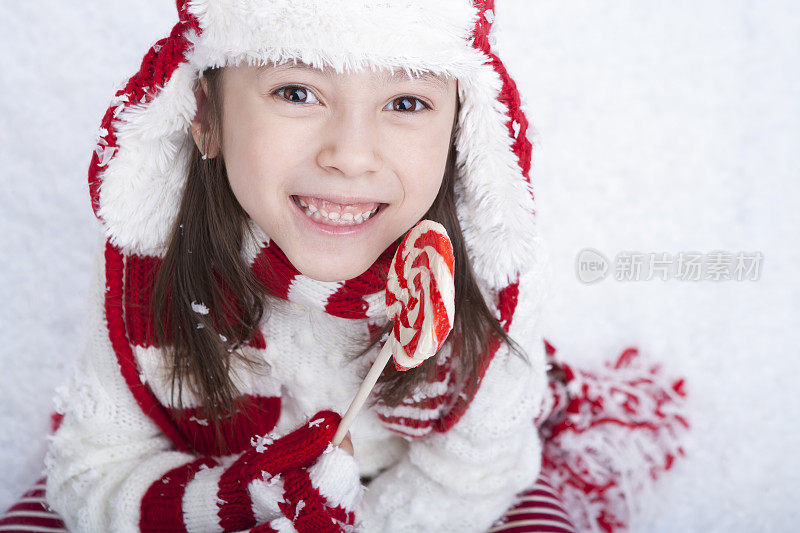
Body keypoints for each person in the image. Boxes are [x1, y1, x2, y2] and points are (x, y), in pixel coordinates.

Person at [0, 1, 690, 532]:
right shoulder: (151, 269)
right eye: (297, 91)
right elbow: (95, 469)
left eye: (406, 102)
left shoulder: (477, 281)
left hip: (420, 498)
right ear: (204, 113)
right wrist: (243, 497)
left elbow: (472, 477)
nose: (351, 155)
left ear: (459, 130)